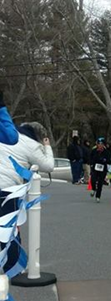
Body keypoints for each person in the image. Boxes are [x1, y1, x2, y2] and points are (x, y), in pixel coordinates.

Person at [0, 117, 54, 273]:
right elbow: (48, 166)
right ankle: (13, 268)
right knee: (9, 230)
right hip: (8, 191)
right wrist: (47, 146)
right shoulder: (30, 145)